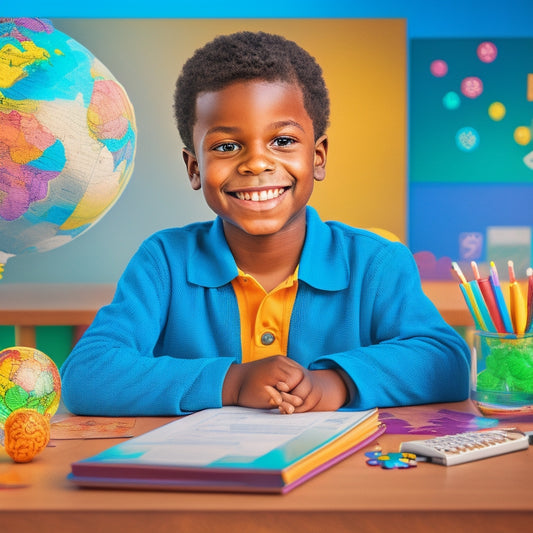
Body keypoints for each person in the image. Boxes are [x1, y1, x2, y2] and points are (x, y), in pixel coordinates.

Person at [60, 31, 470, 416]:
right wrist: (232, 382)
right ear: (194, 168)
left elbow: (445, 362)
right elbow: (87, 375)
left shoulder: (377, 263)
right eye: (226, 146)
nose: (256, 162)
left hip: (341, 486)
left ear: (318, 156)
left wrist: (335, 383)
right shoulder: (164, 262)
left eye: (283, 141)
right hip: (207, 483)